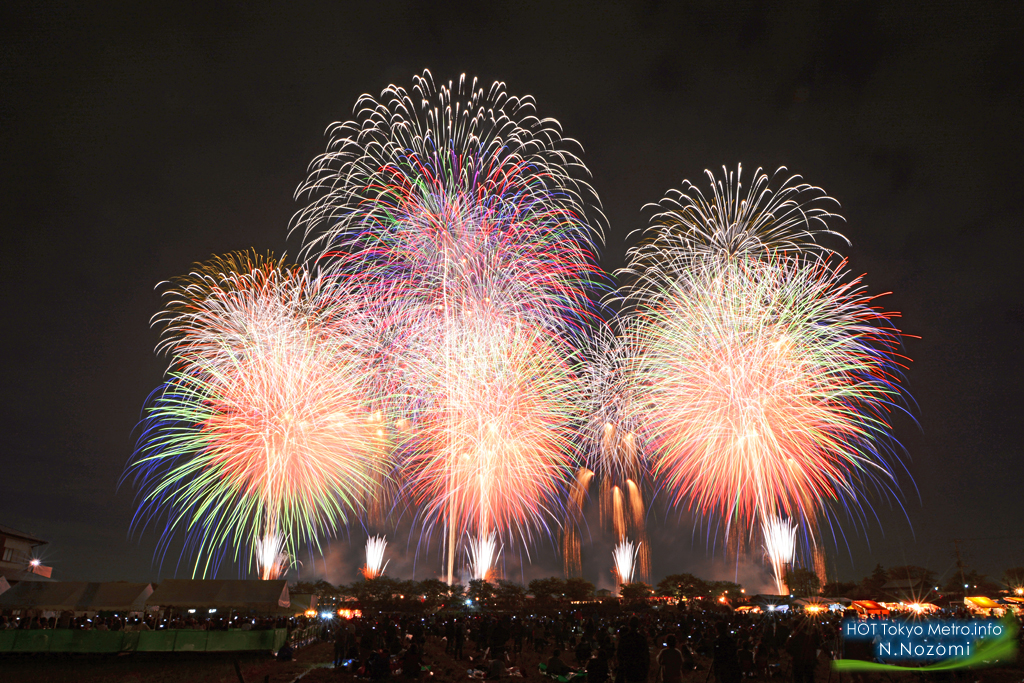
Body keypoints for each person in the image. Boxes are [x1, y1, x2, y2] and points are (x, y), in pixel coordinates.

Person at [617, 617, 650, 683]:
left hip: (628, 668)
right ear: (638, 625)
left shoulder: (624, 638)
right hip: (639, 669)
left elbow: (619, 655)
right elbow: (646, 655)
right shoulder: (642, 638)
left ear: (629, 624)